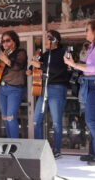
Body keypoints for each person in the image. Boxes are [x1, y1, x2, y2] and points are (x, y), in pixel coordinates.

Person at [64, 20, 95, 166]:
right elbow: (86, 66)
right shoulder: (93, 46)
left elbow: (93, 67)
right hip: (89, 84)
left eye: (87, 30)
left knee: (91, 120)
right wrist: (74, 64)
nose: (85, 33)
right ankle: (94, 153)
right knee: (90, 120)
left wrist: (73, 64)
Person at [26, 30, 69, 159]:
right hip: (44, 89)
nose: (45, 40)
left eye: (48, 38)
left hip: (57, 88)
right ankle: (40, 148)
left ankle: (56, 149)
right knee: (36, 121)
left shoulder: (63, 53)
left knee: (56, 122)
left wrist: (40, 65)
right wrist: (30, 69)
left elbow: (58, 70)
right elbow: (33, 67)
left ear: (56, 40)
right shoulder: (44, 54)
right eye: (45, 37)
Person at [0, 30, 27, 138]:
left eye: (7, 40)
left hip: (15, 88)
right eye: (3, 41)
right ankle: (10, 142)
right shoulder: (2, 54)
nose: (5, 43)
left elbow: (18, 66)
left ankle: (15, 144)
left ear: (14, 41)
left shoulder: (20, 52)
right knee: (4, 117)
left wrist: (6, 60)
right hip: (2, 89)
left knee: (11, 117)